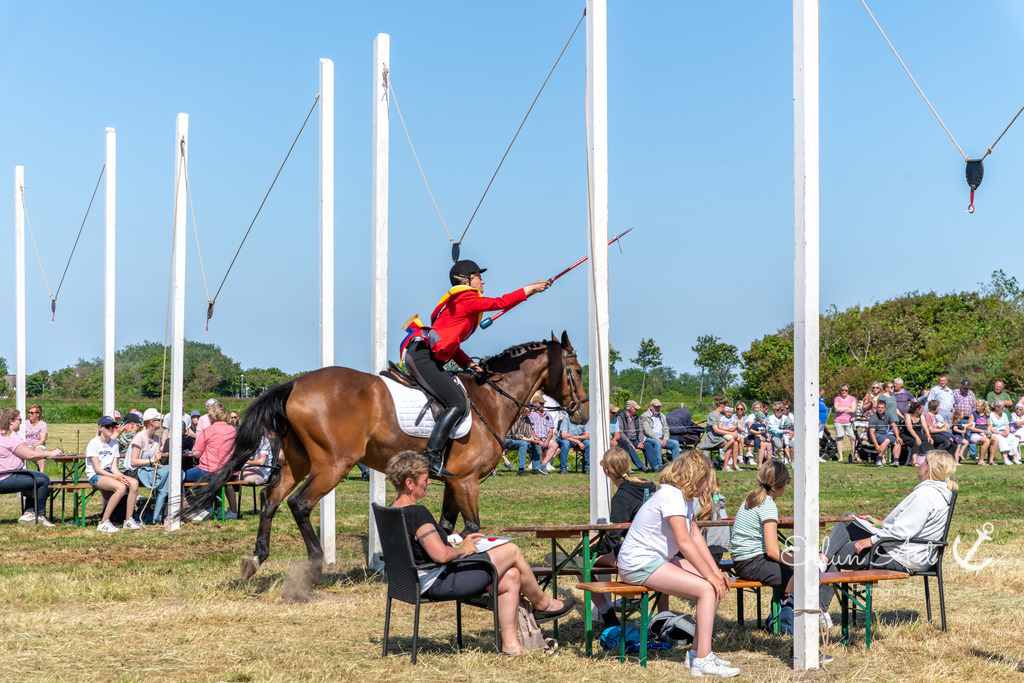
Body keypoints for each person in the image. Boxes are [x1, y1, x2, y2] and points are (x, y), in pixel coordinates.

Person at [386, 450, 575, 655]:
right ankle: (543, 603)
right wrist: (464, 549)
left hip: (413, 581)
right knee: (511, 550)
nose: (429, 482)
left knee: (511, 577)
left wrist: (456, 543)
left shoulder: (392, 511)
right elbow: (440, 556)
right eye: (425, 478)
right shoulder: (416, 512)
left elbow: (420, 548)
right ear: (409, 483)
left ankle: (511, 646)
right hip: (438, 582)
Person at [402, 259, 551, 478]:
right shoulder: (466, 298)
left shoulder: (460, 301)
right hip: (423, 358)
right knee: (457, 402)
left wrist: (468, 363)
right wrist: (530, 288)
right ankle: (431, 457)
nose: (483, 281)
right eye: (479, 277)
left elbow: (450, 343)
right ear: (467, 281)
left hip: (424, 356)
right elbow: (500, 302)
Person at [616, 452, 738, 677]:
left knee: (715, 585)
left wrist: (715, 571)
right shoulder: (671, 496)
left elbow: (695, 536)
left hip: (656, 560)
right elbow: (684, 541)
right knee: (706, 588)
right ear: (695, 478)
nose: (708, 486)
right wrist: (708, 576)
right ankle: (703, 660)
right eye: (706, 480)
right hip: (638, 563)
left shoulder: (683, 498)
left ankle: (697, 653)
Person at [731, 461, 835, 634]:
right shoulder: (768, 505)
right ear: (783, 484)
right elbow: (773, 551)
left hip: (743, 561)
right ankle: (809, 622)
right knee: (807, 580)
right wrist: (796, 562)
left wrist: (792, 560)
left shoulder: (752, 498)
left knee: (797, 570)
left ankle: (782, 620)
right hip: (753, 563)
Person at [824, 450, 958, 574]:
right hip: (910, 551)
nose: (920, 464)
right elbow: (914, 526)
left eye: (923, 461)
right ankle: (822, 558)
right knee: (848, 520)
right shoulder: (939, 492)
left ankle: (821, 563)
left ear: (928, 467)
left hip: (901, 555)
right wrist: (882, 524)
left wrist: (871, 540)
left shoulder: (925, 496)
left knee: (833, 554)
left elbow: (902, 531)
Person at [588, 446, 658, 628]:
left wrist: (589, 553)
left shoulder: (622, 497)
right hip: (657, 548)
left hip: (636, 554)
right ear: (629, 465)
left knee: (580, 562)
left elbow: (612, 539)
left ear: (606, 472)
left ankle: (608, 616)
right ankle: (662, 615)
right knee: (590, 537)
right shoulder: (649, 487)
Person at [0, 408, 61, 526]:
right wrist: (51, 453)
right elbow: (30, 455)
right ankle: (40, 516)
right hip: (6, 477)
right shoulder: (10, 436)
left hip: (5, 474)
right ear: (11, 421)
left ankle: (28, 512)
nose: (21, 423)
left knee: (32, 476)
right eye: (19, 420)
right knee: (43, 479)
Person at [87, 416, 141, 532]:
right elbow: (97, 469)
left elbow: (114, 468)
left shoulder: (115, 444)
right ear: (100, 428)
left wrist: (120, 476)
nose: (111, 428)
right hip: (95, 476)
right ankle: (103, 522)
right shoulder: (93, 443)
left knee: (134, 483)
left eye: (113, 426)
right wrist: (117, 477)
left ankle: (128, 520)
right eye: (108, 426)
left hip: (109, 473)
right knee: (121, 487)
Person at [187, 401, 238, 518]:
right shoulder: (233, 430)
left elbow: (196, 454)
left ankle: (200, 508)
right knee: (219, 482)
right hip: (228, 471)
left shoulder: (208, 430)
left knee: (181, 477)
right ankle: (217, 509)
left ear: (211, 416)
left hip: (209, 470)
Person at [128, 408, 173, 524]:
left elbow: (154, 460)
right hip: (134, 471)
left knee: (171, 474)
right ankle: (156, 514)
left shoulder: (157, 439)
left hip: (149, 471)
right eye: (159, 420)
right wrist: (152, 460)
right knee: (166, 477)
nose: (162, 422)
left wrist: (156, 463)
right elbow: (133, 462)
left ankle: (162, 514)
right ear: (152, 422)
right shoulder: (139, 437)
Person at [640, 398, 679, 470]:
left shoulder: (662, 416)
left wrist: (665, 439)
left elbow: (666, 428)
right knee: (657, 443)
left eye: (659, 407)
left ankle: (676, 466)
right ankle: (659, 465)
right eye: (656, 407)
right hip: (649, 438)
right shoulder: (644, 416)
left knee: (675, 443)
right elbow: (647, 431)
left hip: (661, 438)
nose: (658, 409)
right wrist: (658, 439)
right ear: (651, 407)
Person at [525, 395, 559, 474]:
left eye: (543, 403)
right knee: (538, 446)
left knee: (555, 445)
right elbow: (529, 428)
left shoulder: (547, 415)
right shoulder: (531, 414)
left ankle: (544, 464)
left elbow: (551, 429)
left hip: (545, 439)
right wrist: (536, 438)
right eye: (540, 403)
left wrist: (547, 440)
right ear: (534, 404)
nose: (542, 405)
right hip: (534, 439)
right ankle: (541, 465)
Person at [618, 400, 655, 471]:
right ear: (630, 408)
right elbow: (621, 432)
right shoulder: (620, 416)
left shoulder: (636, 417)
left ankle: (656, 466)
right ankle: (642, 466)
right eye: (635, 408)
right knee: (629, 447)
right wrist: (630, 443)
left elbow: (640, 430)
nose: (637, 410)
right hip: (626, 440)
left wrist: (641, 441)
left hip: (635, 440)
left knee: (648, 445)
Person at [867, 400, 901, 467]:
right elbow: (871, 433)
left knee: (898, 442)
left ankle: (895, 461)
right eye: (879, 407)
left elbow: (894, 425)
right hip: (875, 435)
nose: (880, 409)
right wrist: (876, 445)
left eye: (882, 408)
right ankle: (878, 460)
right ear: (877, 408)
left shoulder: (888, 415)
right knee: (887, 440)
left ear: (885, 408)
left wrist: (898, 437)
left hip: (884, 434)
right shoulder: (873, 418)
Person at [987, 400, 1018, 465]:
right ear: (997, 408)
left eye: (1004, 407)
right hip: (996, 432)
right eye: (1002, 407)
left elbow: (1007, 425)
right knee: (1001, 439)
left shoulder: (1004, 415)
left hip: (1005, 432)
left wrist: (1007, 432)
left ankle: (1014, 458)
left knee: (1014, 438)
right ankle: (1005, 459)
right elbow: (990, 428)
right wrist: (1001, 433)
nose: (1004, 408)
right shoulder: (991, 415)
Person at [698, 396, 729, 461]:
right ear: (722, 406)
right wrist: (730, 433)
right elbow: (716, 430)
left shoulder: (724, 415)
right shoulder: (712, 415)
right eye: (727, 407)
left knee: (735, 441)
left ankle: (732, 462)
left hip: (722, 436)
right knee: (729, 442)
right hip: (713, 438)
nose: (727, 409)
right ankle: (726, 462)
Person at [833, 384, 857, 462]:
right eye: (842, 390)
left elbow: (853, 410)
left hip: (849, 421)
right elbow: (837, 409)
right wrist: (847, 408)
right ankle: (841, 457)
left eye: (846, 390)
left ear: (848, 390)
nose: (844, 391)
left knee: (853, 438)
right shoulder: (837, 399)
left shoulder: (852, 399)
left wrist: (841, 409)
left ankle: (854, 455)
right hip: (838, 421)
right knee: (839, 438)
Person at [902, 401, 930, 466]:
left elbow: (925, 427)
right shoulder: (908, 416)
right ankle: (914, 461)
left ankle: (928, 459)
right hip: (907, 434)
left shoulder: (921, 416)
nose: (922, 410)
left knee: (927, 441)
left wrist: (928, 436)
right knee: (915, 441)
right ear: (917, 409)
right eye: (921, 409)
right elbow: (909, 428)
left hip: (918, 433)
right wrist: (917, 438)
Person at [23, 404, 48, 472]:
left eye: (32, 413)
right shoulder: (24, 423)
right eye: (29, 412)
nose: (30, 414)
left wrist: (33, 446)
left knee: (39, 452)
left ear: (38, 414)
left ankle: (41, 473)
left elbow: (42, 440)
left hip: (38, 445)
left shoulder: (43, 424)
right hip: (26, 444)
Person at [970, 400, 996, 466]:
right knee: (986, 441)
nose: (977, 407)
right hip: (975, 434)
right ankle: (981, 460)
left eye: (978, 406)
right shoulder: (973, 414)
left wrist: (988, 433)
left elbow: (989, 426)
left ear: (983, 407)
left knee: (995, 440)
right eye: (976, 406)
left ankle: (991, 460)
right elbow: (969, 427)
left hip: (984, 434)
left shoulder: (987, 415)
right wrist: (981, 431)